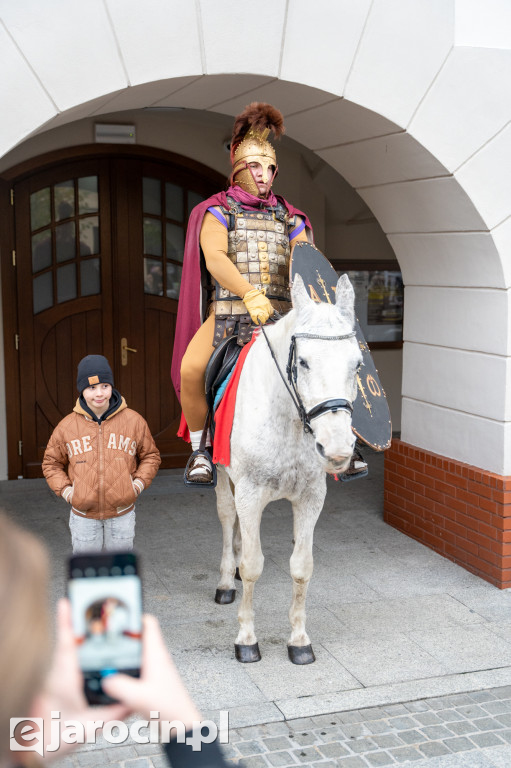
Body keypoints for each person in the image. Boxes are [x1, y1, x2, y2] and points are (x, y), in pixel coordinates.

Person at [0, 512, 229, 768]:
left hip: (120, 509)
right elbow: (51, 468)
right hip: (84, 511)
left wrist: (136, 486)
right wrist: (184, 725)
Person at [171, 103, 312, 484]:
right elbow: (215, 258)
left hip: (284, 316)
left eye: (269, 168)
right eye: (256, 167)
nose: (264, 176)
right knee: (191, 370)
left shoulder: (291, 217)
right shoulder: (217, 211)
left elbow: (306, 259)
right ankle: (201, 451)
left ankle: (343, 443)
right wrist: (250, 293)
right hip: (230, 314)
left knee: (332, 362)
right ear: (238, 167)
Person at [42, 354, 161, 553]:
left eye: (105, 386)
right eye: (91, 388)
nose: (99, 393)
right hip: (83, 516)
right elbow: (51, 464)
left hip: (122, 514)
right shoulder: (67, 426)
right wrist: (68, 492)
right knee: (87, 576)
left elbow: (151, 456)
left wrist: (137, 485)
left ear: (112, 387)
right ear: (82, 390)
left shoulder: (133, 421)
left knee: (120, 573)